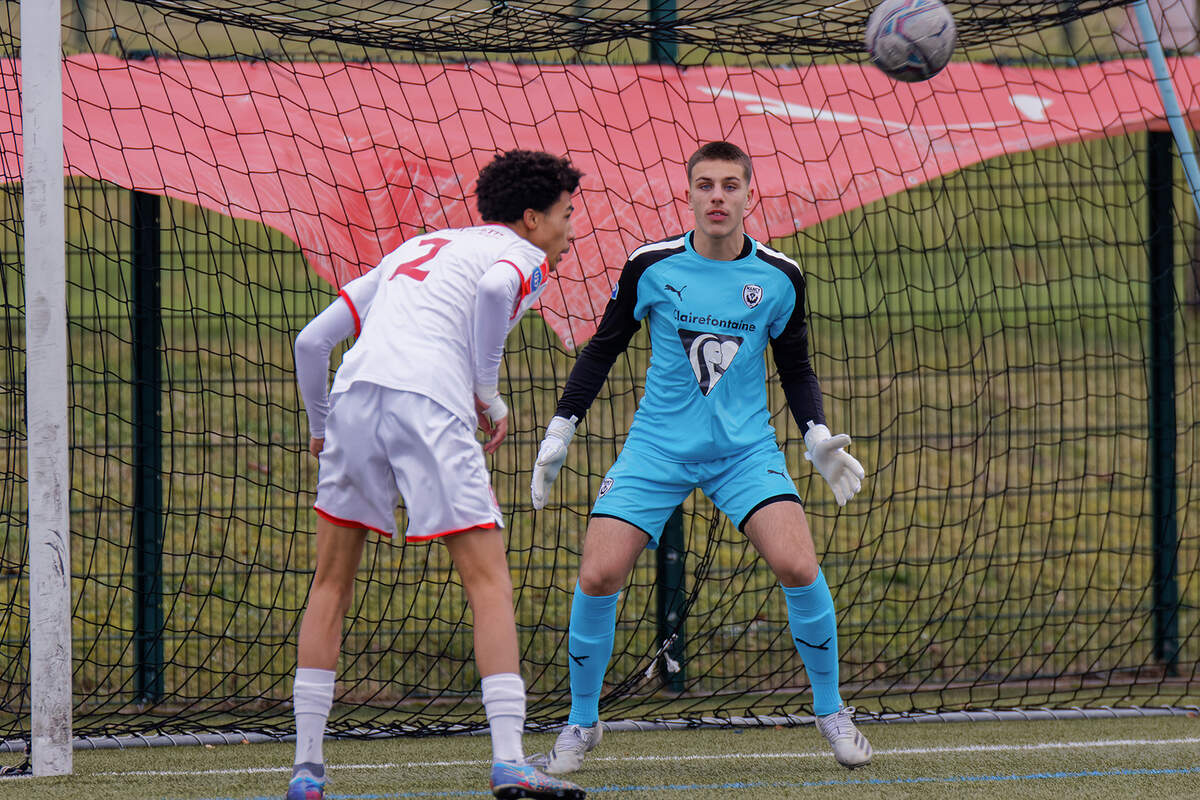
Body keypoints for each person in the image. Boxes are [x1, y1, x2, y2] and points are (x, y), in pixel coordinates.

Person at [528, 141, 871, 775]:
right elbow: (603, 348)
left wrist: (816, 434)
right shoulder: (650, 266)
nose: (718, 196)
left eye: (730, 185)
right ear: (689, 192)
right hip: (656, 450)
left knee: (798, 564)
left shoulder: (780, 276)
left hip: (744, 453)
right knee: (598, 575)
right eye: (706, 185)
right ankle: (581, 723)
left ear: (749, 194)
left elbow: (795, 367)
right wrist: (560, 428)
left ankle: (831, 710)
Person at [288, 150, 587, 800]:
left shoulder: (417, 246)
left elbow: (311, 342)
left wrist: (321, 426)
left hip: (356, 397)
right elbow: (490, 292)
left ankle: (307, 770)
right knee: (488, 583)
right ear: (532, 219)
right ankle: (510, 761)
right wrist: (487, 391)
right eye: (566, 216)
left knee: (330, 584)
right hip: (430, 403)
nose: (571, 231)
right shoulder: (522, 256)